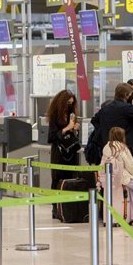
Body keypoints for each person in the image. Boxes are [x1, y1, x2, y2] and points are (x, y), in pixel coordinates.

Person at [99, 127, 133, 226]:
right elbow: (130, 164)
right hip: (124, 176)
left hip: (110, 178)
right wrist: (132, 175)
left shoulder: (106, 147)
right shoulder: (122, 147)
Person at [46, 89, 80, 219]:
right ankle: (56, 207)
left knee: (71, 178)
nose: (70, 106)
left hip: (70, 151)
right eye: (67, 103)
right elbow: (52, 137)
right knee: (57, 179)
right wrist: (66, 128)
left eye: (72, 104)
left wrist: (74, 129)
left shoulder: (71, 114)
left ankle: (68, 207)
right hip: (59, 153)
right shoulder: (55, 116)